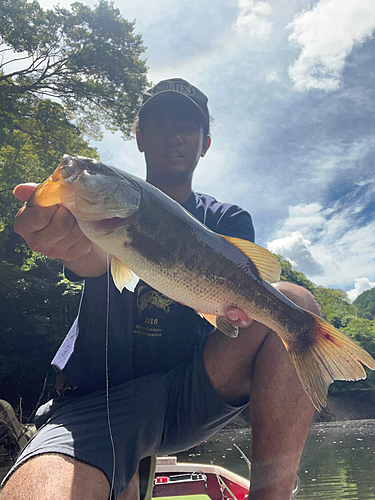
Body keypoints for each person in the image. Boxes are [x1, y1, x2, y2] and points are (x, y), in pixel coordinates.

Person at [0, 79, 318, 500]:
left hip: (186, 394)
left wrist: (235, 310)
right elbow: (91, 260)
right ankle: (122, 472)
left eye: (186, 126)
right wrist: (63, 242)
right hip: (93, 401)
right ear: (138, 137)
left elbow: (240, 291)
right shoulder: (89, 211)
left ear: (204, 143)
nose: (174, 135)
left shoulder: (227, 218)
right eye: (159, 123)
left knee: (294, 302)